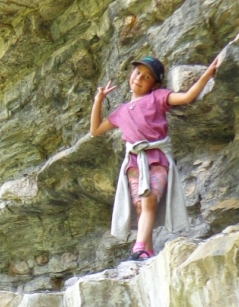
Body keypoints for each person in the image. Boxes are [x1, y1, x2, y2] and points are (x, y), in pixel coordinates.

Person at [90, 53, 220, 261]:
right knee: (141, 205)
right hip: (134, 161)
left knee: (149, 199)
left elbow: (186, 97)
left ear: (155, 84)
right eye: (137, 73)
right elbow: (95, 130)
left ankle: (138, 247)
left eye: (146, 77)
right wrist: (98, 100)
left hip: (157, 158)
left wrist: (206, 75)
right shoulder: (121, 111)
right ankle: (146, 251)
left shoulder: (157, 98)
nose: (139, 78)